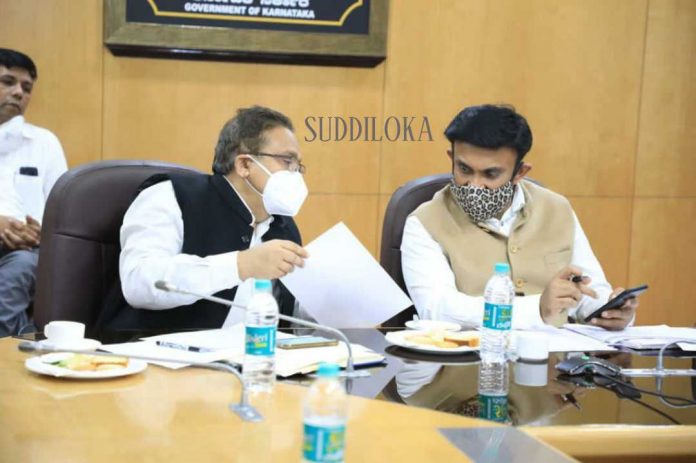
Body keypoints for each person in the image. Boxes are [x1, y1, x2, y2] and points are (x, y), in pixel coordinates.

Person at [401, 104, 637, 330]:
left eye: (490, 174)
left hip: (554, 355)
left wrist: (611, 310)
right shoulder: (425, 222)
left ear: (520, 172)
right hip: (474, 354)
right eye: (464, 169)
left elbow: (589, 292)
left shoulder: (556, 209)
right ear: (451, 158)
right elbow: (437, 309)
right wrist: (537, 309)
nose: (474, 185)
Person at [99, 105, 309, 331]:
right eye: (287, 161)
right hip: (157, 348)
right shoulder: (171, 195)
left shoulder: (283, 226)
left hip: (257, 351)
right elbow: (140, 282)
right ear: (244, 164)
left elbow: (290, 318)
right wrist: (241, 264)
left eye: (298, 166)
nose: (295, 174)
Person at [0, 48, 67, 337]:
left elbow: (64, 211)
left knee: (20, 268)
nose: (19, 92)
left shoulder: (44, 142)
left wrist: (42, 233)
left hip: (28, 250)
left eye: (26, 88)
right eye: (8, 82)